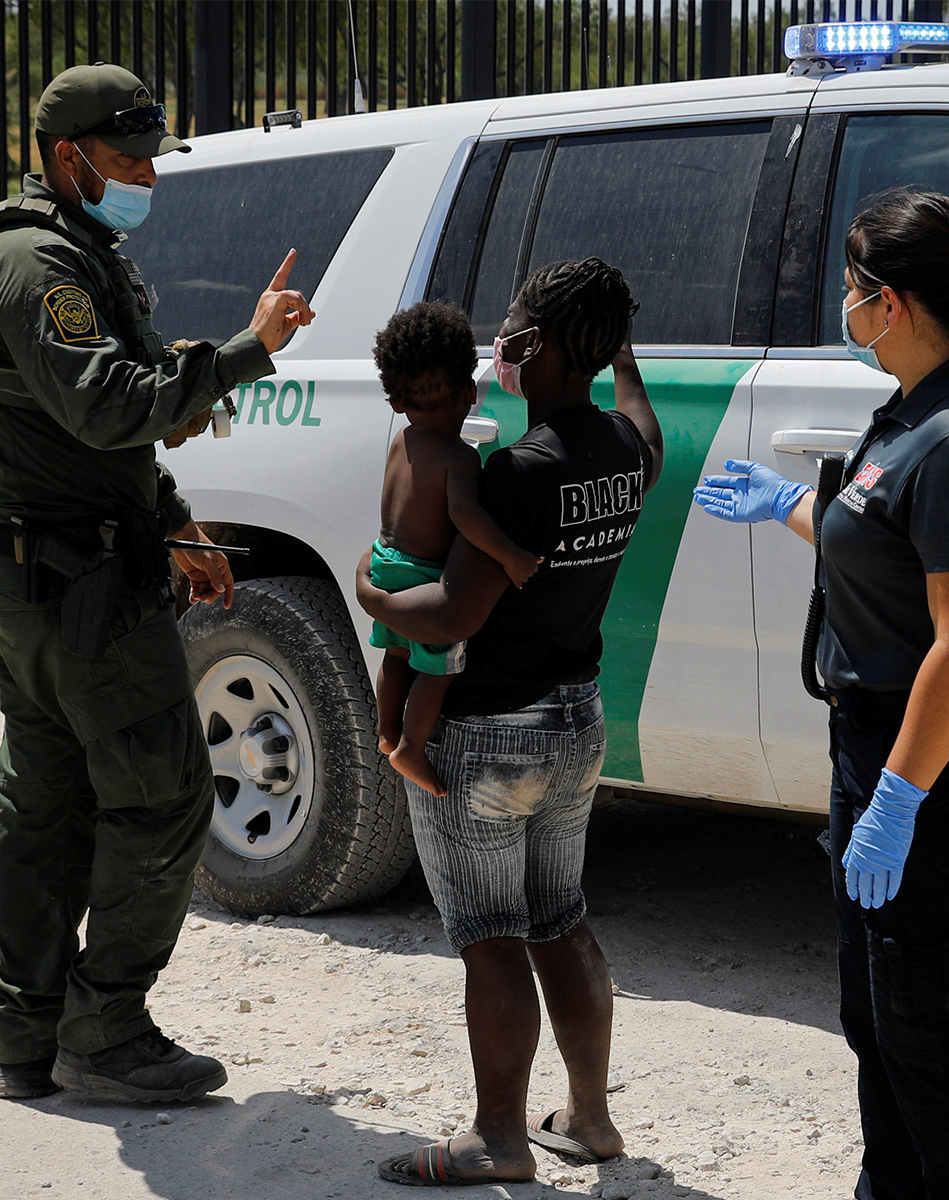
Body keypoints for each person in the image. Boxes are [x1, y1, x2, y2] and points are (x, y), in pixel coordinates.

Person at [0, 62, 312, 1104]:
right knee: (163, 793)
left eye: (150, 158)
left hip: (44, 564)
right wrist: (249, 348)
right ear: (68, 157)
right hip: (77, 583)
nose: (145, 176)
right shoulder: (38, 263)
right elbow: (106, 408)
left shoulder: (55, 245)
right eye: (128, 159)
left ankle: (28, 1035)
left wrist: (174, 522)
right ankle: (103, 1031)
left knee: (47, 801)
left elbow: (88, 439)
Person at [695, 189, 949, 1198]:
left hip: (935, 765)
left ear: (887, 303)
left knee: (936, 1032)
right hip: (876, 749)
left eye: (850, 289)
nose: (842, 308)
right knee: (879, 1023)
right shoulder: (909, 412)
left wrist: (898, 799)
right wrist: (785, 504)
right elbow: (880, 537)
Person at [355, 258, 661, 1187]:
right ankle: (590, 1120)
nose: (499, 345)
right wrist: (621, 355)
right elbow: (641, 417)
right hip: (576, 720)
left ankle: (498, 1137)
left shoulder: (513, 474)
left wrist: (369, 593)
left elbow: (450, 615)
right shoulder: (626, 448)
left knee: (490, 936)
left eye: (513, 331)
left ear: (538, 348)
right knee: (560, 920)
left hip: (489, 735)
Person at [368, 300, 541, 795]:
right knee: (438, 670)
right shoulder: (460, 458)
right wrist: (511, 556)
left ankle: (386, 732)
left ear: (396, 400)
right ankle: (411, 748)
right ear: (468, 392)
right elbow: (466, 517)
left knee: (396, 655)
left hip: (386, 563)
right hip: (424, 579)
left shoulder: (401, 440)